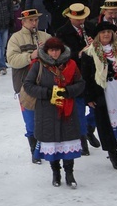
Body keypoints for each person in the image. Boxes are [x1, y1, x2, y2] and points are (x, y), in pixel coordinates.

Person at [23, 37, 85, 188]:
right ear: (47, 51)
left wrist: (67, 91)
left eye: (57, 50)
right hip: (47, 111)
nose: (55, 53)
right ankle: (55, 173)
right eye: (52, 50)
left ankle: (69, 174)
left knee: (67, 143)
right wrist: (48, 92)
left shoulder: (71, 65)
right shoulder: (38, 66)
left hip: (67, 111)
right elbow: (28, 85)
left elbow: (81, 84)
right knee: (53, 145)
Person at [81, 22, 117, 170]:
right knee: (106, 124)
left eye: (109, 32)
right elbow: (86, 77)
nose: (106, 35)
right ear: (98, 35)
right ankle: (113, 155)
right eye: (103, 32)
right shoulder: (89, 53)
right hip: (103, 91)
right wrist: (89, 97)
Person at [7, 9, 52, 164]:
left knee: (48, 119)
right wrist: (31, 56)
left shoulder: (46, 36)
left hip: (46, 84)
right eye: (31, 20)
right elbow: (12, 60)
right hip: (25, 87)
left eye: (36, 20)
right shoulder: (15, 38)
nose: (34, 23)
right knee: (31, 121)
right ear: (23, 22)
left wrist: (46, 52)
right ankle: (35, 151)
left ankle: (47, 148)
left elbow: (58, 55)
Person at [55, 3, 100, 155]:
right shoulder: (62, 32)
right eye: (77, 19)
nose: (81, 22)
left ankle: (89, 127)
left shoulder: (91, 27)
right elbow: (61, 55)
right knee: (79, 109)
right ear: (70, 18)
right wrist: (79, 53)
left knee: (97, 106)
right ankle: (82, 138)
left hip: (93, 74)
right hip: (75, 74)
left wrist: (95, 46)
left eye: (82, 18)